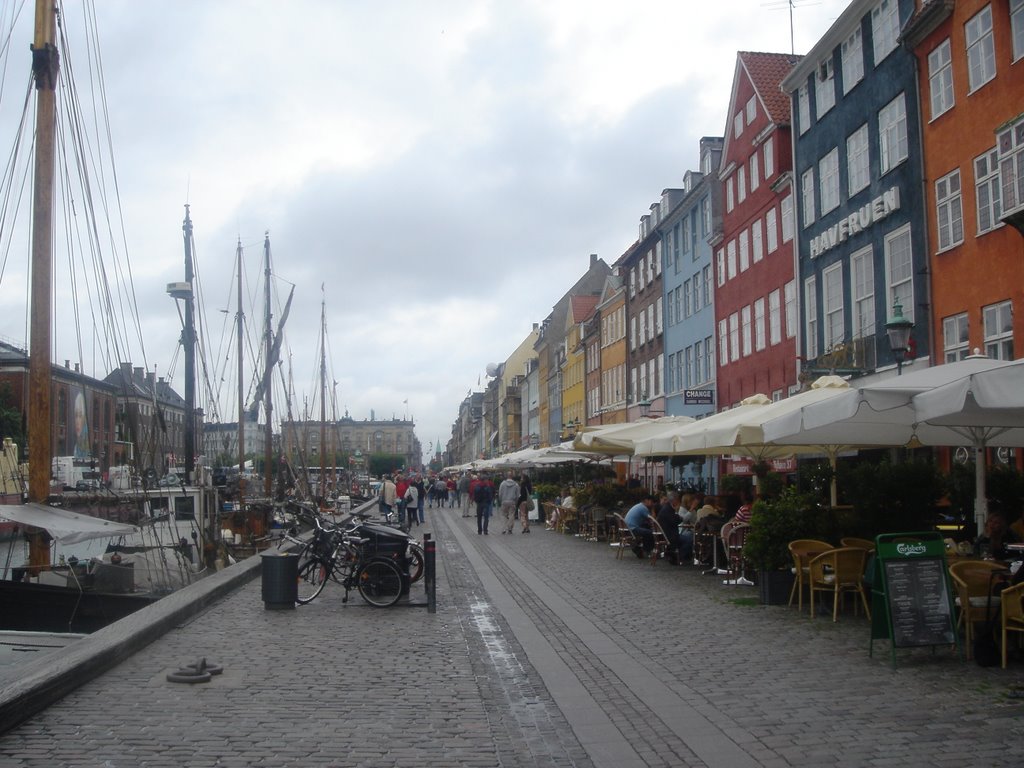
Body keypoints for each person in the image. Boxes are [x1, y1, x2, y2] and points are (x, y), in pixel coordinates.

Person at [656, 491, 692, 565]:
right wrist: (679, 518)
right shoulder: (668, 509)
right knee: (690, 539)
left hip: (667, 534)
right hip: (671, 535)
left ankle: (676, 555)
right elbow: (676, 520)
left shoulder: (666, 508)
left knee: (688, 536)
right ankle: (679, 556)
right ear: (675, 500)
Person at [624, 494, 657, 559]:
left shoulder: (639, 506)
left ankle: (639, 548)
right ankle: (647, 551)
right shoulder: (643, 508)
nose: (652, 504)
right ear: (646, 500)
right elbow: (652, 520)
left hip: (627, 528)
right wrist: (653, 509)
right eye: (652, 502)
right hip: (633, 529)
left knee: (646, 529)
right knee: (650, 533)